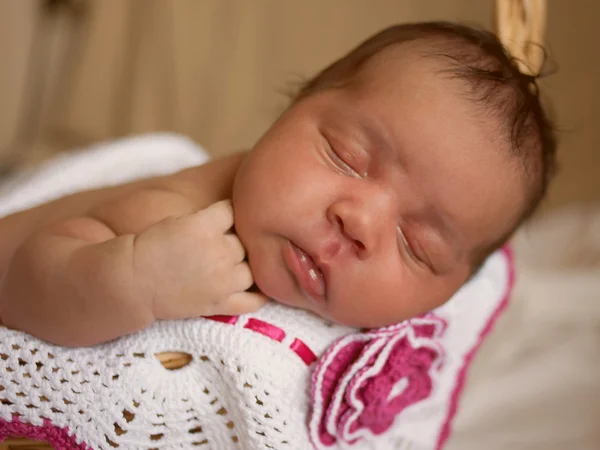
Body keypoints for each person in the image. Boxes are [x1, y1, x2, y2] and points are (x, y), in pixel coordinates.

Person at [0, 21, 556, 347]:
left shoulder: (383, 340)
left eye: (419, 247)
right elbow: (22, 282)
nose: (358, 222)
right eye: (346, 156)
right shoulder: (181, 218)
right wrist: (137, 278)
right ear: (291, 109)